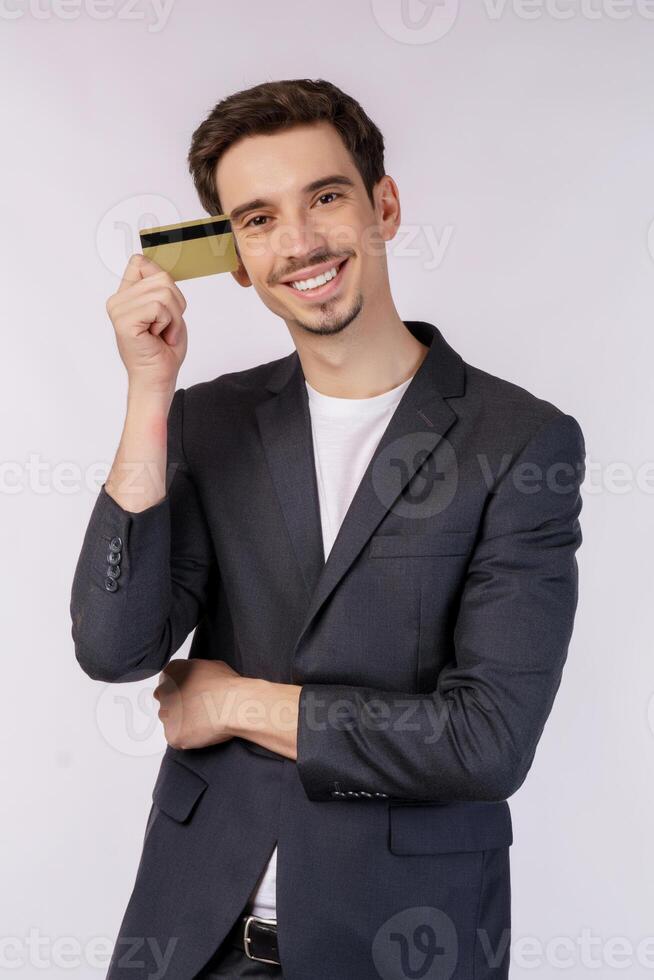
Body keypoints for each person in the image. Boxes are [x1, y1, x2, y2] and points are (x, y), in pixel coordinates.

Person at [70, 78, 586, 980]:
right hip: (190, 941)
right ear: (234, 256)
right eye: (259, 219)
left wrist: (237, 704)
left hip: (401, 946)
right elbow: (116, 647)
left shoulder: (520, 442)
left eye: (326, 196)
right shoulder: (209, 422)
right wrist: (148, 393)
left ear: (383, 203)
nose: (300, 243)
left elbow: (487, 741)